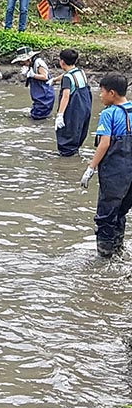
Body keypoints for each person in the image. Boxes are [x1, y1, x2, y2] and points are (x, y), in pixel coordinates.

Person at [80, 72, 132, 259]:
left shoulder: (109, 114)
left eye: (101, 92)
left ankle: (104, 257)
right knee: (120, 212)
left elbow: (104, 143)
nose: (100, 96)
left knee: (106, 216)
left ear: (112, 93)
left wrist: (91, 168)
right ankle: (118, 250)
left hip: (115, 174)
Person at [55, 48, 92, 158]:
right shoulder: (80, 72)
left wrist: (60, 115)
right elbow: (67, 74)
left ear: (62, 62)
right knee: (78, 133)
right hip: (85, 108)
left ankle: (66, 161)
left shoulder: (67, 78)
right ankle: (75, 156)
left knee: (67, 137)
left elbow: (66, 97)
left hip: (73, 110)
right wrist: (54, 80)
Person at [19, 49, 54, 121]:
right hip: (39, 98)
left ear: (28, 59)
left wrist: (33, 75)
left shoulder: (38, 62)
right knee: (36, 117)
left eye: (22, 61)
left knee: (38, 118)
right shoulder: (32, 64)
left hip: (45, 97)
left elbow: (45, 77)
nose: (21, 63)